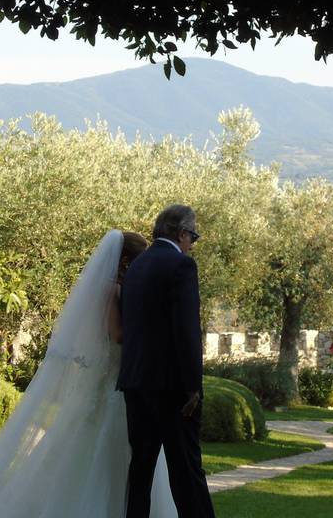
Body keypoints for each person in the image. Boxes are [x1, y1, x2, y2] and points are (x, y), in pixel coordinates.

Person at [0, 229, 178, 518]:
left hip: (119, 381)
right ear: (127, 262)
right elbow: (116, 335)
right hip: (111, 384)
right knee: (101, 452)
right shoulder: (110, 291)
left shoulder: (121, 288)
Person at [118, 204, 216, 518]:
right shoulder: (181, 266)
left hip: (136, 382)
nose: (192, 244)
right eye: (193, 236)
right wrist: (192, 387)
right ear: (182, 232)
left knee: (141, 470)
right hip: (172, 387)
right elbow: (186, 330)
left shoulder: (137, 266)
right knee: (186, 469)